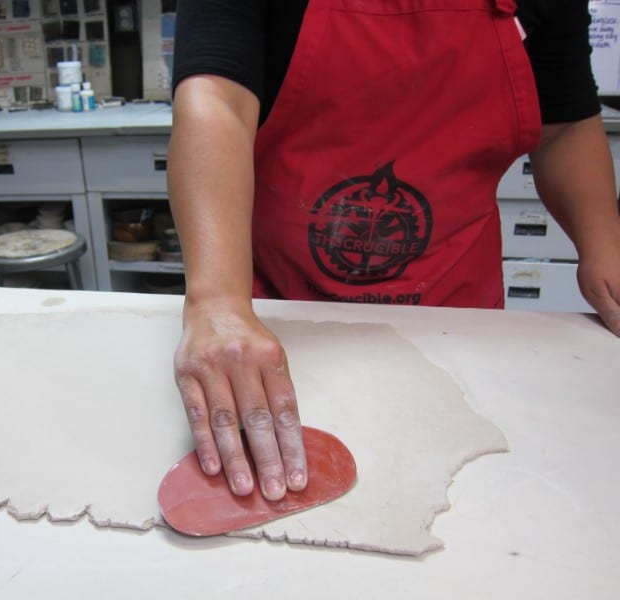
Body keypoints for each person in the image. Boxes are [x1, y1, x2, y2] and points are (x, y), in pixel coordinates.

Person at [167, 0, 620, 502]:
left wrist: (604, 244)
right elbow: (217, 100)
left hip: (460, 318)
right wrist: (216, 303)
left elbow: (565, 127)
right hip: (281, 319)